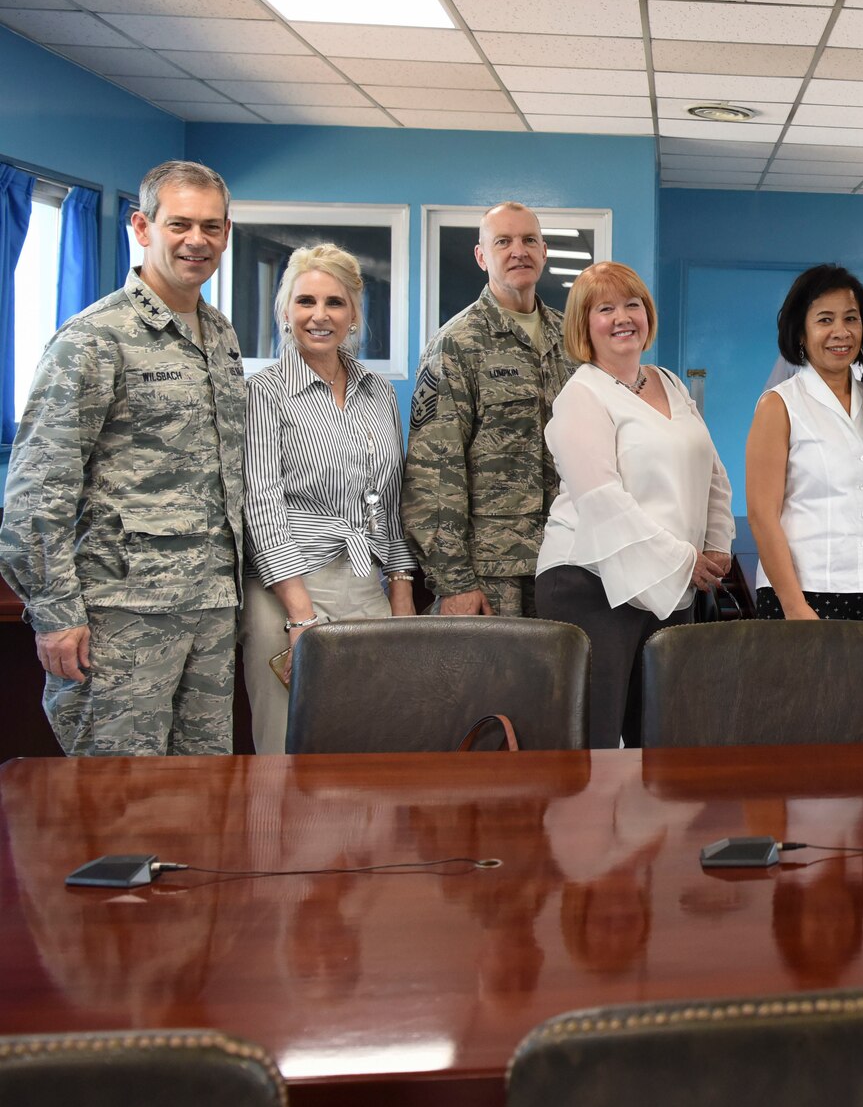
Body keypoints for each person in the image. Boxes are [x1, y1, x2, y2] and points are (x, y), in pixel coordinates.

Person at [0, 159, 246, 755]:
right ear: (143, 227)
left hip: (211, 608)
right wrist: (55, 612)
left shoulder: (219, 334)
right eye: (180, 224)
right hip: (121, 614)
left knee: (202, 792)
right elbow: (38, 487)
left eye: (211, 227)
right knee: (114, 797)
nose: (197, 241)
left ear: (226, 234)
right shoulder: (93, 338)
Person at [536, 262, 734, 748]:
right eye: (605, 309)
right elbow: (603, 500)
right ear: (585, 325)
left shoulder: (668, 381)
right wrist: (685, 560)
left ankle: (650, 829)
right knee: (594, 743)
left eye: (633, 305)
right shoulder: (580, 396)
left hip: (672, 584)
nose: (623, 317)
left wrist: (717, 543)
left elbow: (711, 469)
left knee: (664, 739)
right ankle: (589, 828)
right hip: (591, 582)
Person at [241, 244, 419, 753]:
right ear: (285, 312)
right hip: (287, 591)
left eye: (335, 302)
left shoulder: (378, 391)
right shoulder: (264, 393)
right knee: (287, 747)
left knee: (372, 743)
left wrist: (401, 596)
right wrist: (300, 616)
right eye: (305, 302)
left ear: (355, 313)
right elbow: (262, 506)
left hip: (366, 585)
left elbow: (387, 502)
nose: (320, 316)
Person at [402, 201, 575, 618]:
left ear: (544, 251)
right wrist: (455, 581)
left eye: (529, 240)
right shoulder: (457, 344)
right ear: (482, 256)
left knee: (565, 682)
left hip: (567, 557)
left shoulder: (570, 339)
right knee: (495, 684)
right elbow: (433, 471)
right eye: (503, 242)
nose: (519, 251)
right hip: (492, 573)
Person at [745, 264, 863, 623]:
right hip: (800, 593)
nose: (840, 332)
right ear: (800, 332)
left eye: (851, 319)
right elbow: (762, 516)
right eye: (824, 320)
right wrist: (794, 606)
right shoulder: (779, 404)